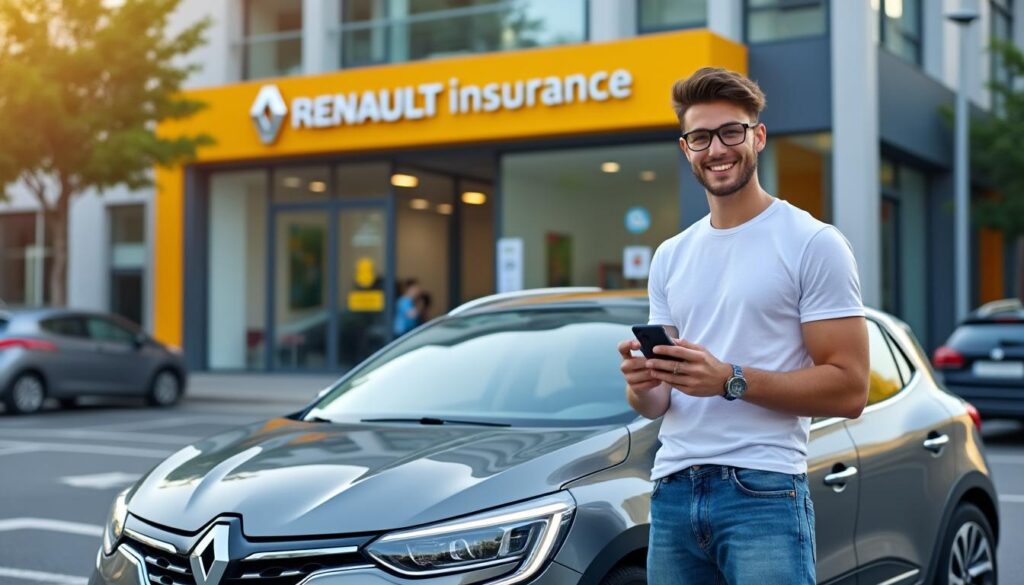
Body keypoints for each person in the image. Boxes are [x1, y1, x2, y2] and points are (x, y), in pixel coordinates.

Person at [617, 67, 870, 584]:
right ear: (686, 148)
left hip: (764, 491)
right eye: (700, 137)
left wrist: (729, 379)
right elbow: (659, 403)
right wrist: (641, 385)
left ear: (758, 136)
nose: (716, 149)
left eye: (731, 132)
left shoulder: (812, 242)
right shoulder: (670, 255)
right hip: (672, 490)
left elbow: (851, 388)